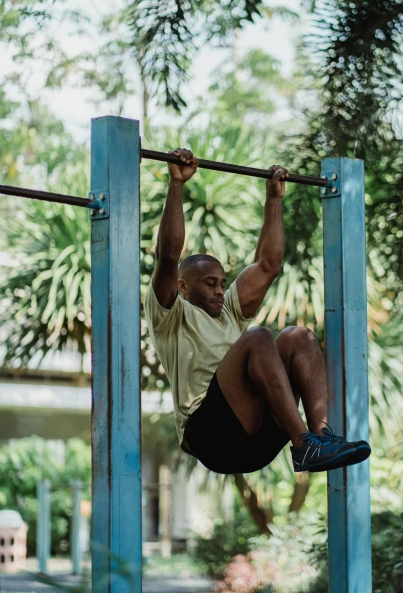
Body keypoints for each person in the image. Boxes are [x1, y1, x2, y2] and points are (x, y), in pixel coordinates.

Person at [144, 148, 371, 475]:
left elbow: (268, 265)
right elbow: (167, 256)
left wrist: (274, 199)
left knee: (298, 336)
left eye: (222, 283)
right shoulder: (168, 315)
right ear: (183, 287)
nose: (221, 290)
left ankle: (320, 439)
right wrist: (177, 183)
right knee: (258, 338)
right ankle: (303, 444)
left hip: (257, 439)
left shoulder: (229, 313)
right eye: (210, 283)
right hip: (211, 437)